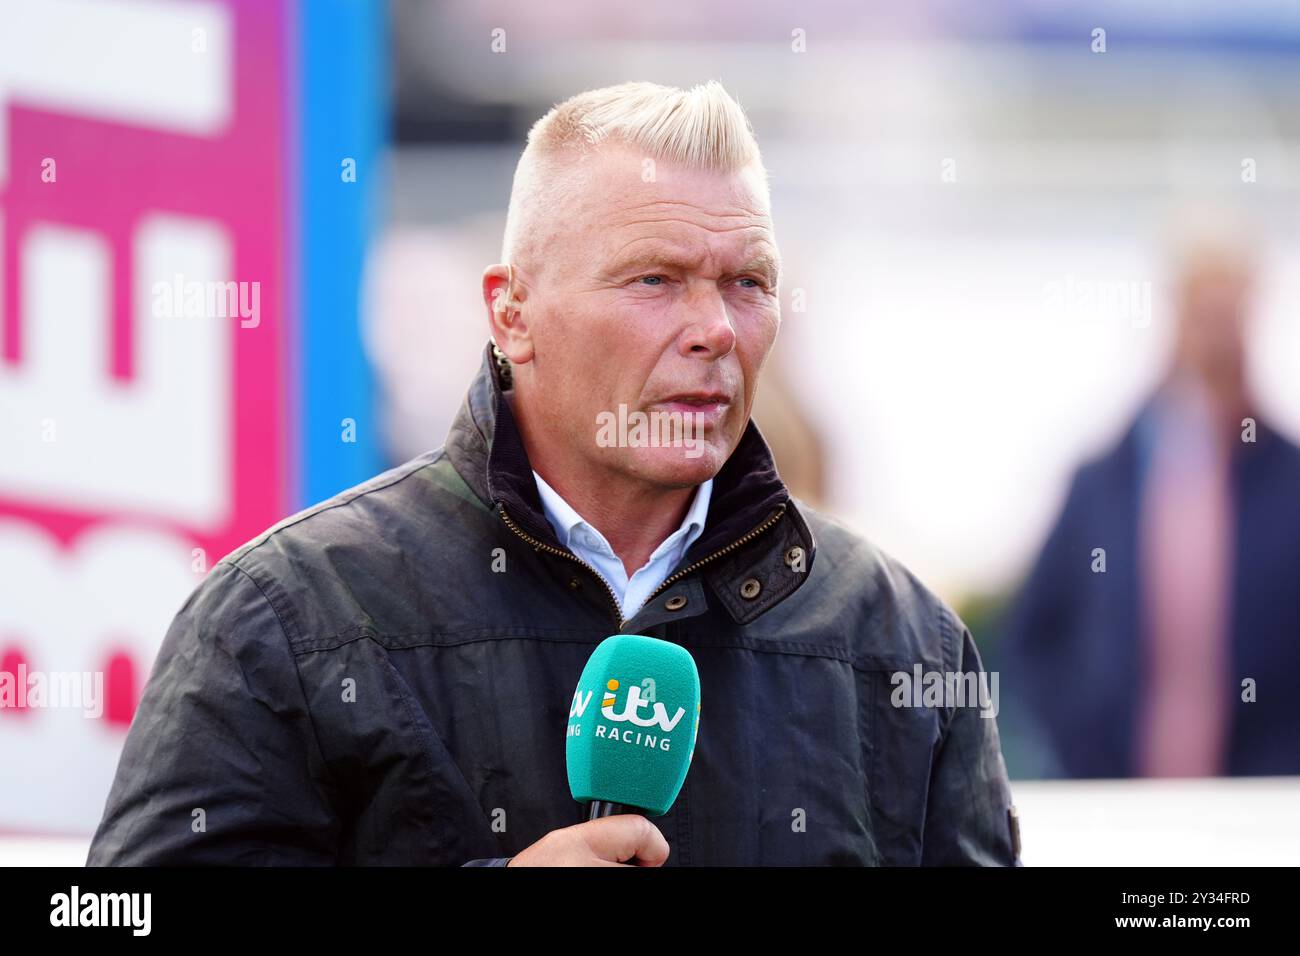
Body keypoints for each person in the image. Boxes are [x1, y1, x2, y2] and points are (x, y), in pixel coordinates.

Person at [87, 81, 1018, 866]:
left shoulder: (902, 642)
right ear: (513, 313)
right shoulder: (283, 618)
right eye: (654, 279)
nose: (716, 329)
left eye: (748, 282)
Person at [1003, 218, 1300, 778]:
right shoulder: (1104, 481)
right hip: (1120, 795)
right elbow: (1033, 637)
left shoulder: (1289, 482)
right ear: (1174, 318)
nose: (1216, 339)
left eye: (1229, 316)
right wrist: (1080, 742)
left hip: (1262, 800)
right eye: (1202, 314)